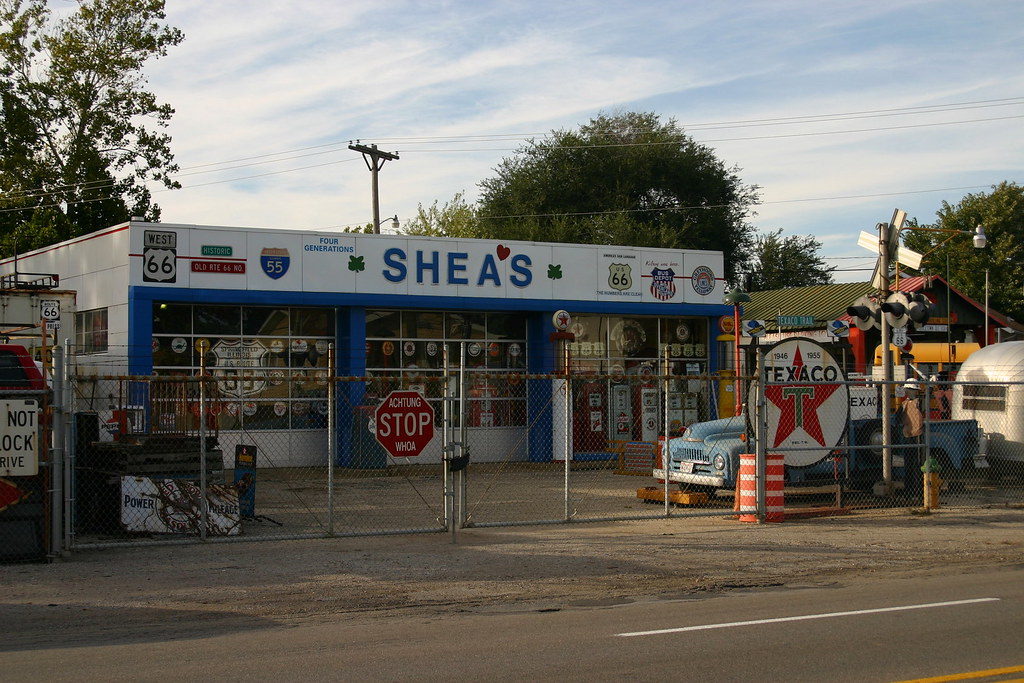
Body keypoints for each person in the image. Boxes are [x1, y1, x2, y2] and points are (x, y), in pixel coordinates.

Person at [899, 378, 925, 502]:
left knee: (918, 465)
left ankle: (920, 492)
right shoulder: (904, 404)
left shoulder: (919, 402)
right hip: (908, 435)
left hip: (917, 435)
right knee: (909, 465)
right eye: (908, 390)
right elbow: (898, 418)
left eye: (911, 390)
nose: (909, 392)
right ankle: (909, 492)